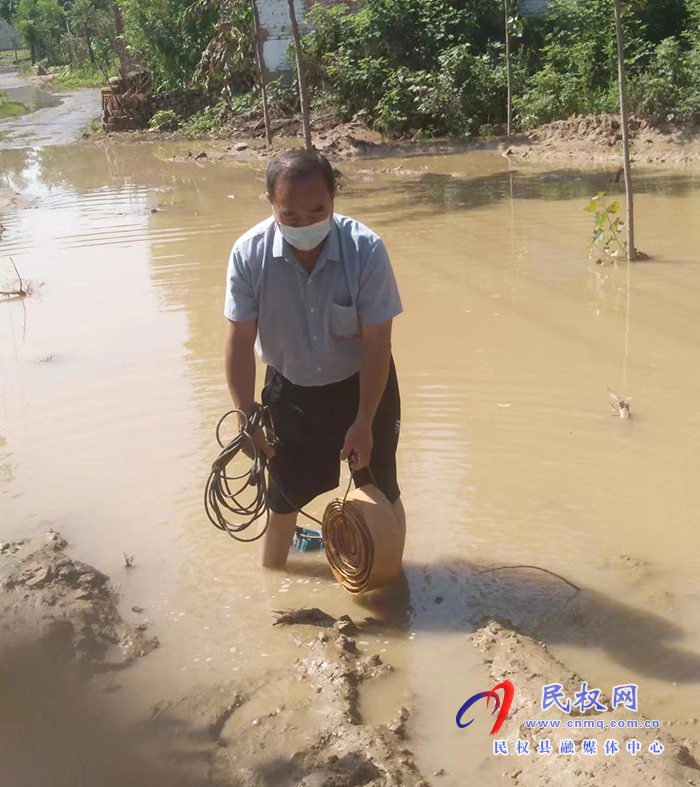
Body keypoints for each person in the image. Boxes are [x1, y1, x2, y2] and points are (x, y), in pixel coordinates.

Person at [223, 148, 405, 569]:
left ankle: (394, 586)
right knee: (283, 496)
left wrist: (363, 422)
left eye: (316, 211)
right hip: (291, 390)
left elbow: (379, 345)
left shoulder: (367, 250)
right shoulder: (248, 255)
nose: (304, 224)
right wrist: (244, 413)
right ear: (270, 201)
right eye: (290, 216)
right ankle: (272, 589)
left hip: (363, 384)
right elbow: (238, 341)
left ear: (334, 197)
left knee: (381, 490)